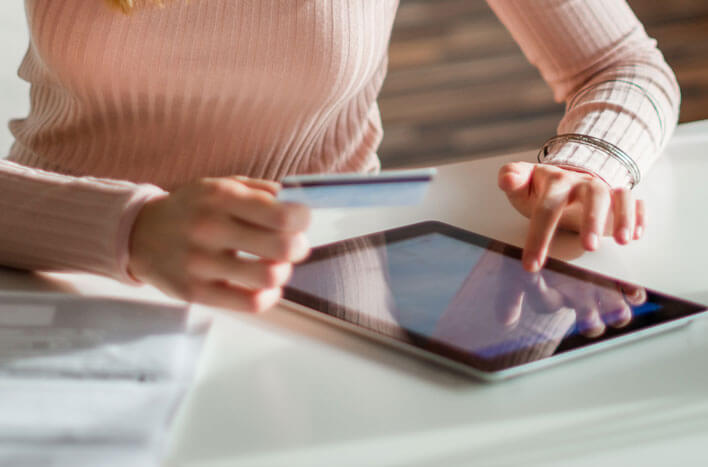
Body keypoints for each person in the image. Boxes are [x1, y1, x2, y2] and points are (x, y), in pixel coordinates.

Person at [0, 0, 679, 315]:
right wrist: (130, 228)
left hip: (324, 300)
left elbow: (620, 64)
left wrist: (590, 164)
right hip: (52, 282)